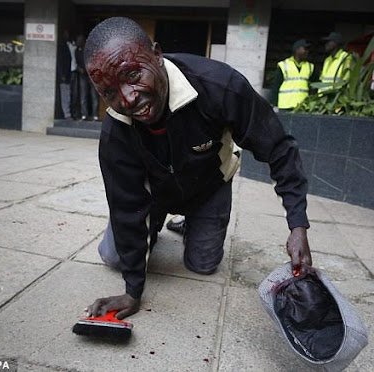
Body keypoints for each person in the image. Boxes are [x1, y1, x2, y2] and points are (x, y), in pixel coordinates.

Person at [83, 17, 312, 319]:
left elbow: (279, 149)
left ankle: (190, 222)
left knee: (203, 265)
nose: (127, 99)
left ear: (157, 54)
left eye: (133, 75)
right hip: (155, 192)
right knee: (114, 256)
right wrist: (132, 292)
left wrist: (297, 224)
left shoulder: (220, 87)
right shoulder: (116, 130)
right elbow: (125, 206)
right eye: (109, 92)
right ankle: (155, 222)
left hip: (208, 187)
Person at [271, 39, 318, 110]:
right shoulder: (284, 65)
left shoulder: (310, 67)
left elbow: (315, 87)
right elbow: (276, 86)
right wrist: (273, 103)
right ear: (297, 50)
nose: (307, 52)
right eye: (305, 49)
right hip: (285, 106)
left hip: (303, 106)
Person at [75, 34, 99, 121]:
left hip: (91, 75)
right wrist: (80, 69)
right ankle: (84, 114)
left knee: (94, 95)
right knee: (83, 95)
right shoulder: (77, 51)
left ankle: (95, 115)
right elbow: (76, 62)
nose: (78, 42)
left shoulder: (90, 50)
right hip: (82, 75)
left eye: (79, 40)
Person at [57, 30, 73, 119]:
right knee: (65, 95)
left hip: (67, 75)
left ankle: (67, 113)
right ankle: (67, 114)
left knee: (68, 94)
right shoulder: (61, 45)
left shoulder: (67, 45)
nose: (68, 36)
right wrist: (62, 74)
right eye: (66, 34)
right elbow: (60, 61)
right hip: (64, 75)